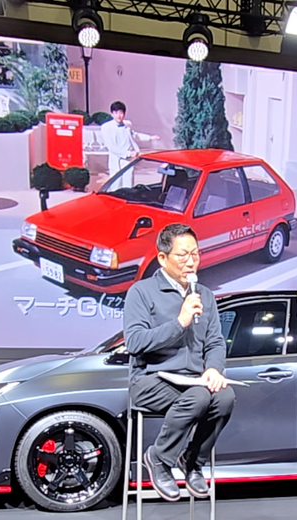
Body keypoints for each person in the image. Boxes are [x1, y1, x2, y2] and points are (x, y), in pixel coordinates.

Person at [124, 223, 236, 501]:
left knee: (225, 398)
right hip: (150, 380)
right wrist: (180, 322)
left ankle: (192, 461)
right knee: (198, 397)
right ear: (162, 258)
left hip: (193, 381)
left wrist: (213, 369)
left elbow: (215, 342)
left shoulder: (204, 295)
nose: (191, 261)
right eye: (183, 255)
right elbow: (134, 342)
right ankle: (159, 458)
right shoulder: (142, 291)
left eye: (195, 254)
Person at [100, 101, 159, 186]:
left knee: (128, 184)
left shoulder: (127, 124)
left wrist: (150, 137)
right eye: (116, 113)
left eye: (121, 113)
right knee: (116, 185)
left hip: (128, 160)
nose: (119, 115)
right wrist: (128, 153)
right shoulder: (106, 127)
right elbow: (111, 147)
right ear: (112, 114)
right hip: (117, 160)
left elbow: (134, 136)